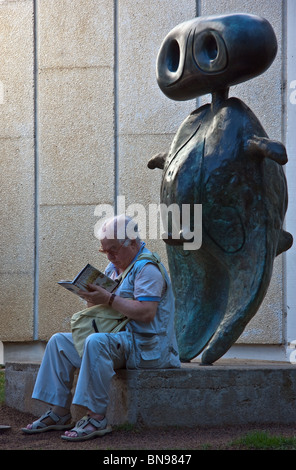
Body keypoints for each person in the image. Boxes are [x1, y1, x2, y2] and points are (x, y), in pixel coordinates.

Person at [22, 215, 180, 441]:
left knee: (95, 342)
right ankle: (58, 413)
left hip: (147, 347)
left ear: (133, 243)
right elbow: (102, 306)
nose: (110, 256)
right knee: (59, 342)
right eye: (105, 251)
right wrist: (90, 296)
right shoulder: (114, 266)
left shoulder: (148, 268)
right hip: (122, 339)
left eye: (114, 250)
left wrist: (108, 298)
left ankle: (96, 419)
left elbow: (147, 313)